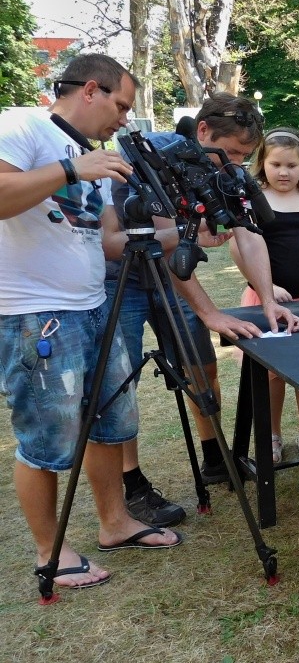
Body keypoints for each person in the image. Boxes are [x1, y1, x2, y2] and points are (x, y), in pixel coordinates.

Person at [0, 53, 181, 589]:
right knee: (47, 440)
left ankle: (115, 523)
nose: (124, 118)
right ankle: (49, 553)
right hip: (35, 315)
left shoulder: (93, 157)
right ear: (90, 90)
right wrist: (71, 170)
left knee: (110, 423)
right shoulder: (21, 125)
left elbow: (106, 242)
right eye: (121, 105)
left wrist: (174, 236)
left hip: (96, 305)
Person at [106, 93, 299, 493]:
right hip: (120, 278)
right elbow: (165, 245)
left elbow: (248, 232)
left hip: (172, 277)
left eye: (245, 156)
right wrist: (210, 313)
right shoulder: (153, 157)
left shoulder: (224, 168)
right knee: (120, 382)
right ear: (202, 130)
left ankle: (215, 458)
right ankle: (132, 482)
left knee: (201, 367)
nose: (237, 163)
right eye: (232, 152)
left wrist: (267, 298)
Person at [230, 127, 299, 462]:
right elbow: (239, 247)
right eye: (276, 164)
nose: (284, 172)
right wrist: (264, 287)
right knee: (271, 374)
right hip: (268, 303)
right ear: (262, 163)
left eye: (291, 165)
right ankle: (272, 435)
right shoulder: (252, 201)